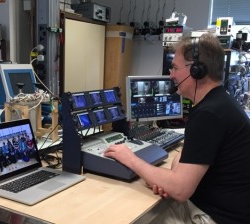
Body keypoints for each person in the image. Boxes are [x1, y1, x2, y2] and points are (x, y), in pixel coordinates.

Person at [104, 33, 250, 224]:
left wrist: (131, 159)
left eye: (174, 67)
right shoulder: (220, 102)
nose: (170, 75)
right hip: (223, 208)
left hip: (214, 217)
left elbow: (180, 190)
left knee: (135, 217)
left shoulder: (208, 115)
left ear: (197, 70)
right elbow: (182, 165)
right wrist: (170, 180)